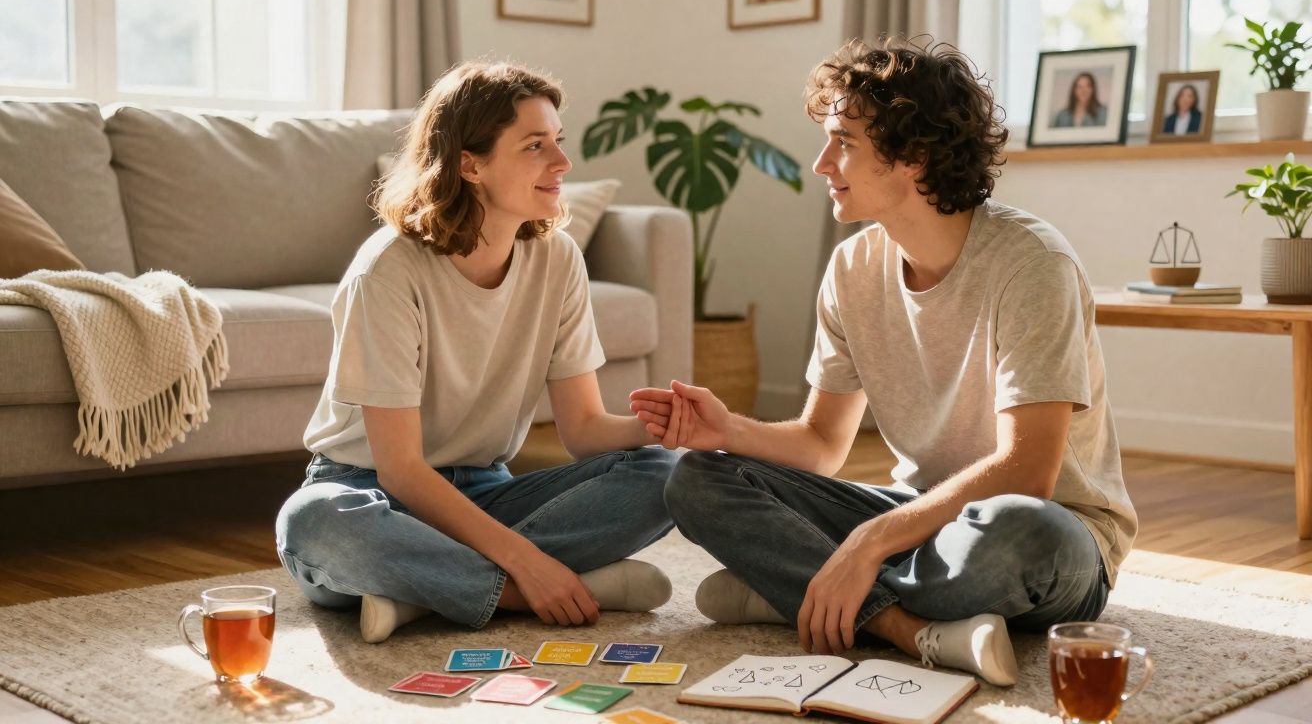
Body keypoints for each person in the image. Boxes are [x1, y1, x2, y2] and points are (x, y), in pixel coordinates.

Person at [631, 37, 1137, 687]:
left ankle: (796, 588)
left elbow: (1027, 473)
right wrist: (727, 430)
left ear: (914, 157)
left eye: (843, 141)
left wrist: (867, 544)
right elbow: (821, 443)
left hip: (1050, 540)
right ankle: (904, 627)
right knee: (695, 480)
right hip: (921, 521)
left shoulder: (1032, 263)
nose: (821, 164)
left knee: (1018, 533)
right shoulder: (852, 268)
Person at [275, 61, 677, 644]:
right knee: (315, 525)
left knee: (663, 475)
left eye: (558, 142)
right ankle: (526, 592)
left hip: (487, 491)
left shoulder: (558, 259)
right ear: (470, 164)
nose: (562, 163)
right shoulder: (388, 271)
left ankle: (421, 592)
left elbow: (585, 430)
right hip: (372, 491)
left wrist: (662, 427)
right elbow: (403, 471)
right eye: (535, 146)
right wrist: (526, 563)